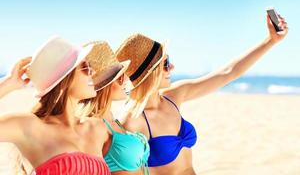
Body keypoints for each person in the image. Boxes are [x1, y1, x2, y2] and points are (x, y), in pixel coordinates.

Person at [115, 14, 288, 175]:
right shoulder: (130, 121)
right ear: (150, 73)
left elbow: (228, 73)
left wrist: (270, 41)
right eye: (166, 63)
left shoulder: (174, 96)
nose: (173, 67)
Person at [0, 36, 111, 175]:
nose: (93, 72)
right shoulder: (32, 127)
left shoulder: (95, 128)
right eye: (86, 67)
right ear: (65, 78)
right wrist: (9, 83)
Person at [80, 41, 150, 175]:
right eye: (119, 77)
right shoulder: (94, 125)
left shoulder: (112, 120)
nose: (126, 81)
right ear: (105, 86)